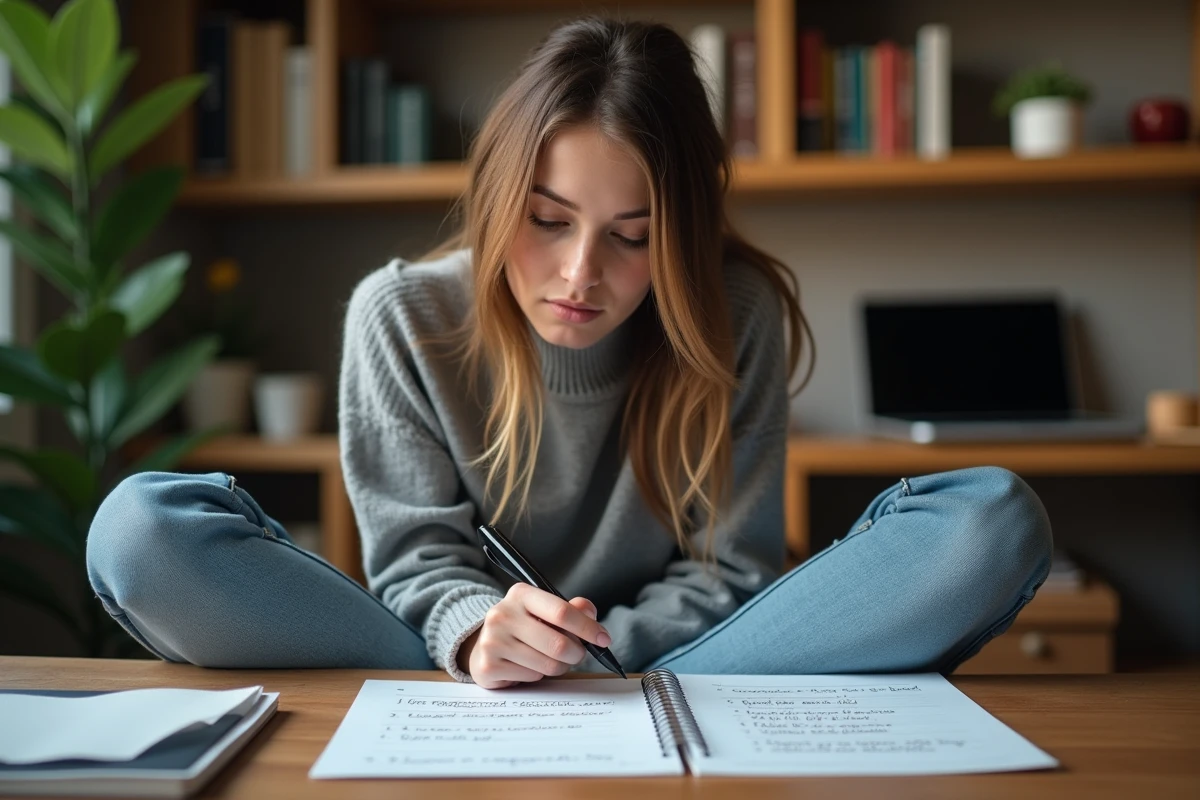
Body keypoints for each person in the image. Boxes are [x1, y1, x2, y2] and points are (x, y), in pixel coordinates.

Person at [86, 17, 1052, 688]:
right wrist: (477, 637)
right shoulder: (401, 314)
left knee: (991, 521)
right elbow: (417, 563)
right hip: (451, 657)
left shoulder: (731, 309)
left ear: (679, 234)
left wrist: (594, 657)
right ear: (504, 196)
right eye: (547, 221)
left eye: (633, 236)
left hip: (681, 664)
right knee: (141, 531)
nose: (579, 273)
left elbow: (732, 568)